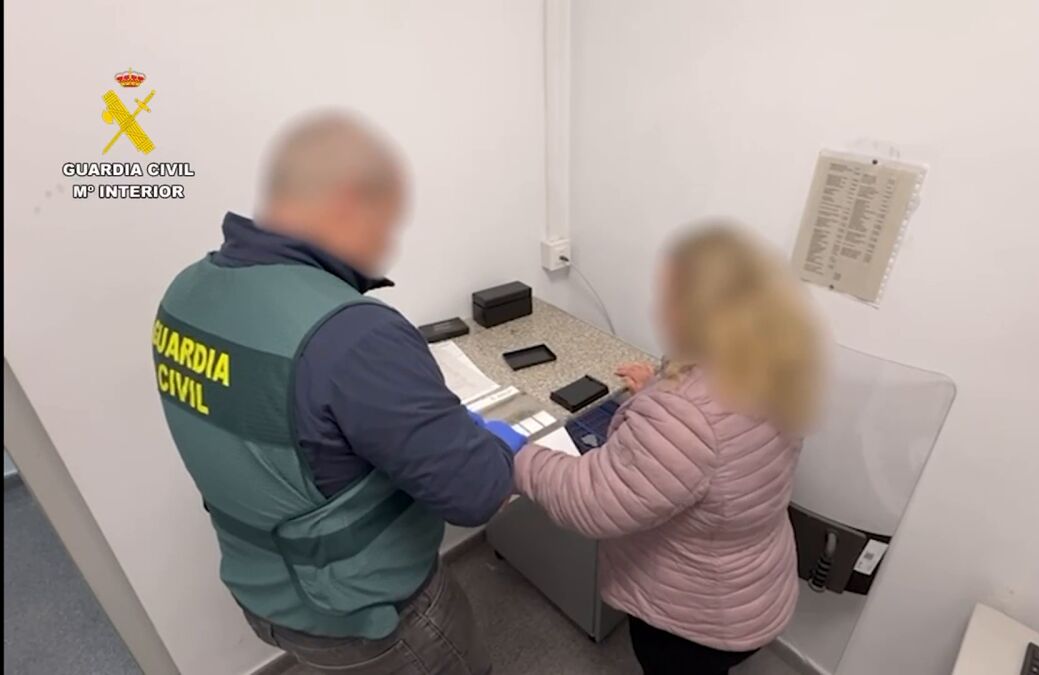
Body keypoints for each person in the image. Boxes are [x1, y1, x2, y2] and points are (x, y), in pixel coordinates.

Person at [151, 110, 524, 674]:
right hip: (374, 616)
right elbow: (477, 494)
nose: (388, 247)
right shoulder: (353, 334)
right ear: (349, 202)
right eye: (387, 226)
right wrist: (497, 446)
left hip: (265, 592)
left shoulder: (185, 295)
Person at [514, 224, 823, 675]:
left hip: (694, 618)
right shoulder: (773, 369)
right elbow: (719, 446)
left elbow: (592, 498)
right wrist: (658, 388)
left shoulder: (685, 415)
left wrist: (518, 455)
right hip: (754, 585)